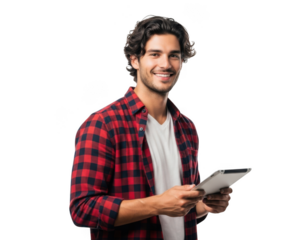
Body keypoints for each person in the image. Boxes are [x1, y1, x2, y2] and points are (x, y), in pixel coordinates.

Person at [69, 13, 232, 240]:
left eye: (174, 55)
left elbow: (181, 210)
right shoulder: (103, 125)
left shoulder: (187, 129)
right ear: (135, 59)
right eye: (155, 54)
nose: (165, 64)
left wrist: (205, 206)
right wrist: (157, 204)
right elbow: (82, 210)